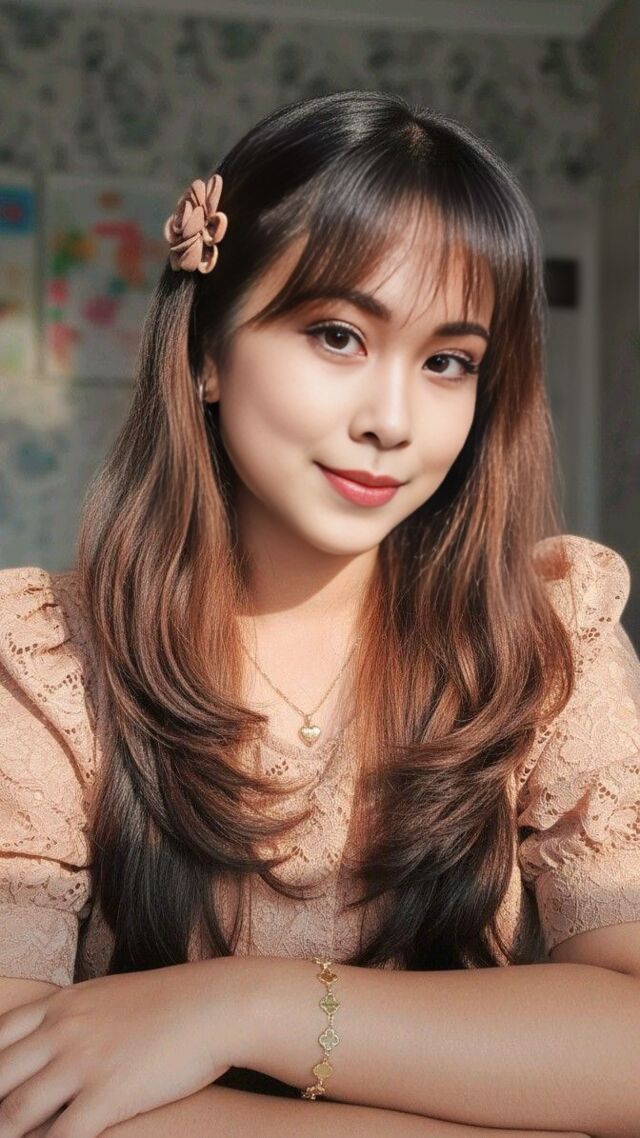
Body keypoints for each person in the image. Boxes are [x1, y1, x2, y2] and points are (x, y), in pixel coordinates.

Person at [0, 89, 638, 1138]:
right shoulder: (46, 661)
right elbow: (23, 1087)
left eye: (447, 361)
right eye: (337, 335)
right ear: (207, 351)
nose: (392, 420)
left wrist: (238, 1007)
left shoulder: (543, 639)